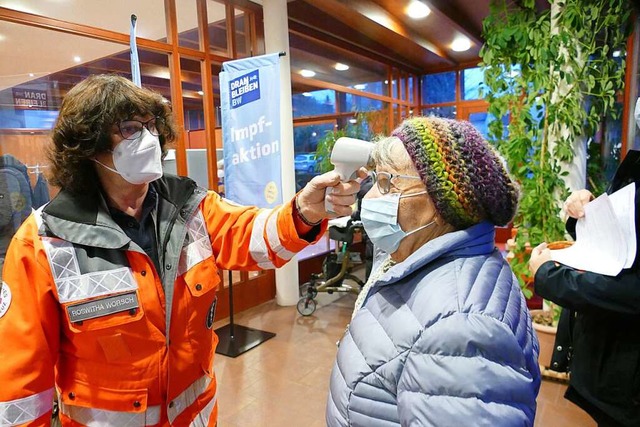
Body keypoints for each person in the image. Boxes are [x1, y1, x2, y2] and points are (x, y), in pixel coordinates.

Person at [0, 74, 362, 427]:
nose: (148, 138)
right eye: (129, 128)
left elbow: (257, 237)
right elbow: (20, 383)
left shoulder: (189, 207)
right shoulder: (44, 241)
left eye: (151, 124)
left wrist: (306, 211)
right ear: (89, 145)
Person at [326, 116, 541, 426]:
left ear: (439, 205)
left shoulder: (463, 330)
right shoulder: (412, 261)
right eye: (375, 180)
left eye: (387, 183)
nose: (370, 197)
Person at [529, 149, 640, 427]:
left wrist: (550, 277)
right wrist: (586, 213)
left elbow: (631, 288)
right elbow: (623, 248)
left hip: (628, 377)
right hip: (609, 369)